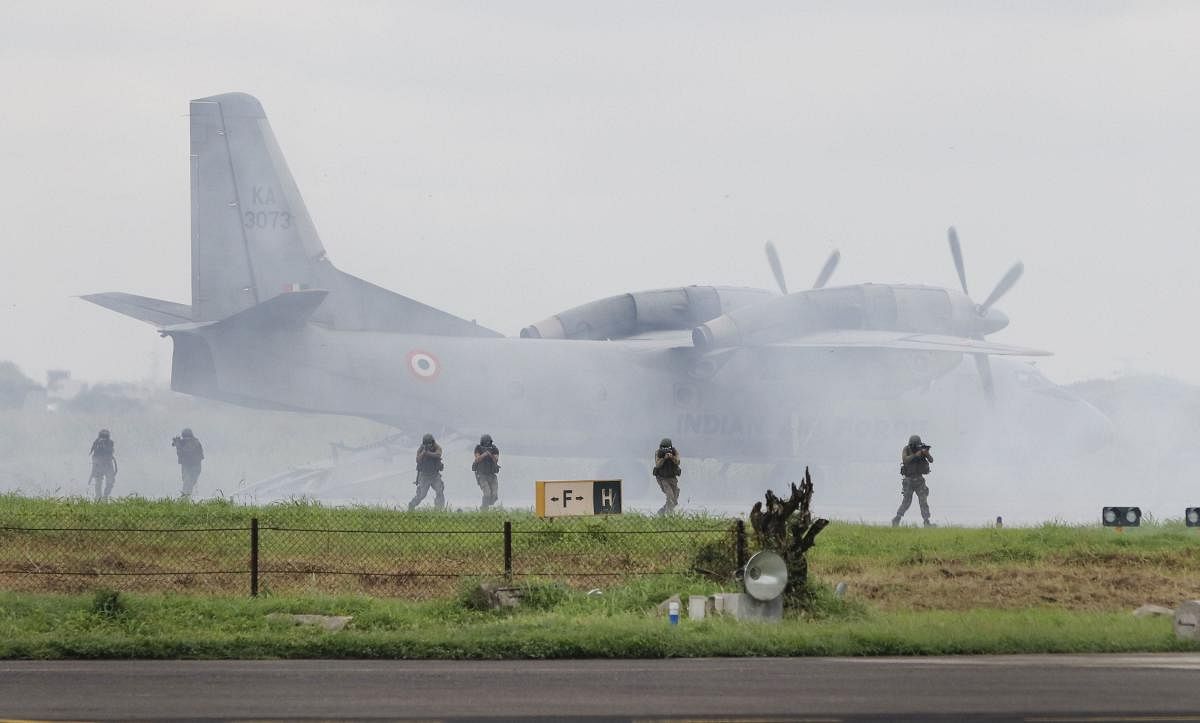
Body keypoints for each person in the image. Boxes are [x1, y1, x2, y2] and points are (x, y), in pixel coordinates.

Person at [893, 434, 934, 527]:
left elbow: (931, 460)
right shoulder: (906, 449)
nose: (915, 447)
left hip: (919, 480)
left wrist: (926, 453)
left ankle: (926, 522)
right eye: (914, 445)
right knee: (906, 501)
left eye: (917, 445)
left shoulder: (922, 449)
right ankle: (897, 519)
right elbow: (905, 460)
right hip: (909, 480)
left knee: (923, 501)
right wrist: (916, 455)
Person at [409, 433, 445, 511]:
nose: (429, 445)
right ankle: (411, 505)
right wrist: (423, 453)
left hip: (435, 475)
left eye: (430, 443)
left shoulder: (436, 446)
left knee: (440, 490)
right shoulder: (421, 448)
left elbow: (438, 454)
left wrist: (428, 453)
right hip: (424, 476)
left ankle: (439, 509)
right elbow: (417, 459)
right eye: (427, 444)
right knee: (421, 495)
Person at [172, 428, 205, 498]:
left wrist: (178, 445)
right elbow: (174, 445)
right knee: (186, 481)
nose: (186, 440)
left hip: (195, 466)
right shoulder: (185, 443)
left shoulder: (195, 443)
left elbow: (186, 452)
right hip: (187, 466)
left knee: (189, 482)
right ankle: (186, 498)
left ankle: (186, 497)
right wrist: (177, 443)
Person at [652, 438, 681, 516]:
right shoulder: (658, 452)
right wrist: (664, 458)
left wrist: (672, 457)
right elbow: (657, 464)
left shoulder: (674, 451)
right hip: (662, 478)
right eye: (663, 448)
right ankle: (669, 514)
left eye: (667, 448)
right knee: (670, 496)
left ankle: (661, 512)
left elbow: (678, 462)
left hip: (672, 478)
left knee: (675, 498)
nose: (665, 450)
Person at [472, 433, 501, 509]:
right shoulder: (478, 448)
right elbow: (477, 459)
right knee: (487, 494)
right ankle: (484, 509)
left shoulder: (494, 449)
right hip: (482, 475)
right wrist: (484, 454)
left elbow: (496, 460)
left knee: (494, 495)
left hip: (492, 475)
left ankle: (485, 505)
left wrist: (490, 454)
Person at [89, 429, 117, 502]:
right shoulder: (97, 443)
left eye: (105, 436)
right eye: (103, 436)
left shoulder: (110, 443)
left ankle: (105, 496)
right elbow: (94, 456)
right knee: (98, 483)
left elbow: (111, 451)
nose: (104, 438)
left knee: (110, 482)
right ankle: (98, 498)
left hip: (107, 464)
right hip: (99, 465)